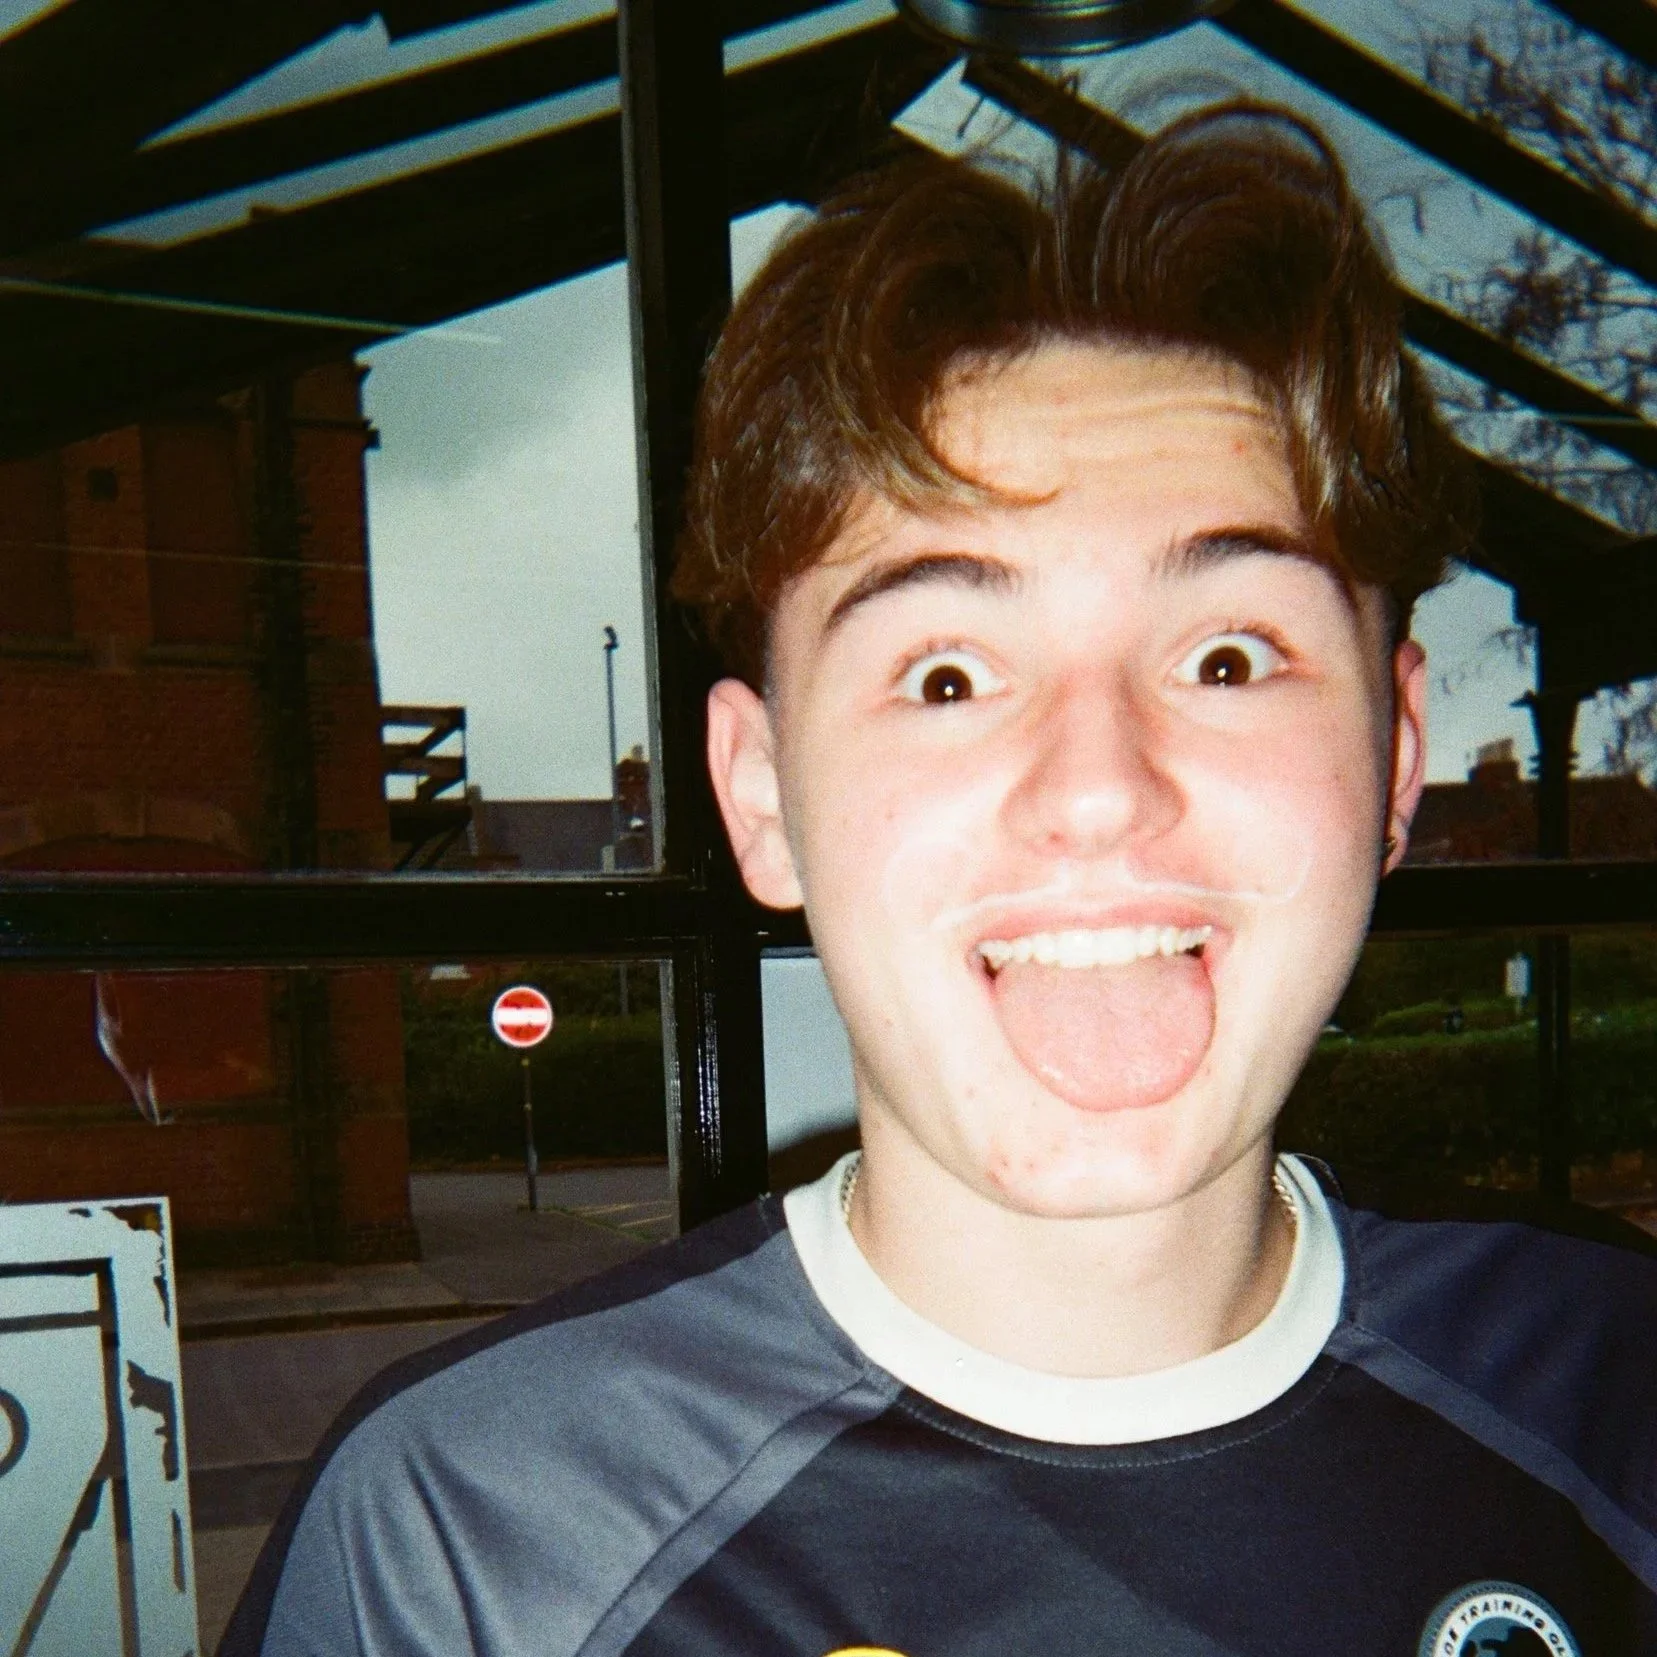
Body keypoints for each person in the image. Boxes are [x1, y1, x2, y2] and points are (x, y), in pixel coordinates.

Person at [222, 103, 1657, 1657]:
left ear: (1396, 760)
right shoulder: (469, 1549)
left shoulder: (1618, 1386)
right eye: (950, 677)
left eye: (1228, 658)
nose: (1098, 789)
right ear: (762, 799)